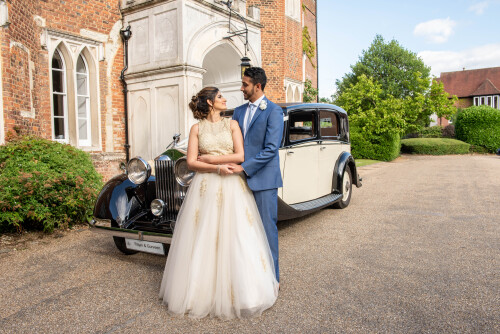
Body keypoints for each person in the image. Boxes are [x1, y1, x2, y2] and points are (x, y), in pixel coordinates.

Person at [159, 87, 278, 319]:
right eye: (220, 97)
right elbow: (192, 162)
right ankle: (199, 294)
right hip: (205, 186)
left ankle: (245, 293)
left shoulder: (232, 124)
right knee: (203, 234)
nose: (225, 100)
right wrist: (215, 168)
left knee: (236, 235)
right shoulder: (196, 128)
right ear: (210, 103)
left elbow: (241, 156)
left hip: (232, 184)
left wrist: (214, 158)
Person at [229, 67, 284, 284]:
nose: (241, 88)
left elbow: (271, 149)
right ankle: (249, 279)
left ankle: (272, 279)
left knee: (266, 230)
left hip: (264, 181)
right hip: (238, 180)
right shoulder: (238, 112)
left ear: (257, 86)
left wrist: (245, 167)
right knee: (243, 230)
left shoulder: (273, 111)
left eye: (245, 84)